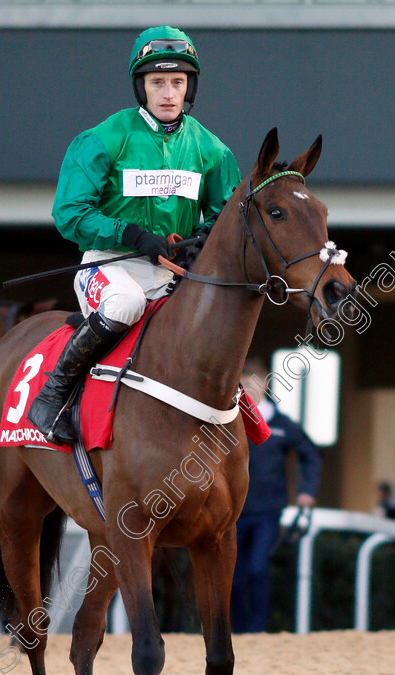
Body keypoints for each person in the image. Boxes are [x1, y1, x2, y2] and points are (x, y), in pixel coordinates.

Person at [28, 25, 241, 444]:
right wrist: (130, 233)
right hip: (108, 269)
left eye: (176, 83)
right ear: (140, 87)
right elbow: (69, 213)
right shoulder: (103, 138)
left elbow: (223, 215)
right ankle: (52, 395)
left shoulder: (213, 151)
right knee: (125, 303)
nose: (167, 93)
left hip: (172, 276)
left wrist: (196, 243)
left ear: (189, 87)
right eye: (157, 82)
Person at [231, 358, 322, 633]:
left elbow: (311, 456)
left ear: (266, 384)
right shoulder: (229, 423)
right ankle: (237, 629)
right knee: (232, 578)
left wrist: (307, 492)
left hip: (267, 512)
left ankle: (257, 630)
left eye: (252, 384)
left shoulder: (283, 424)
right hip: (232, 513)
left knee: (257, 569)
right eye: (243, 386)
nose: (248, 391)